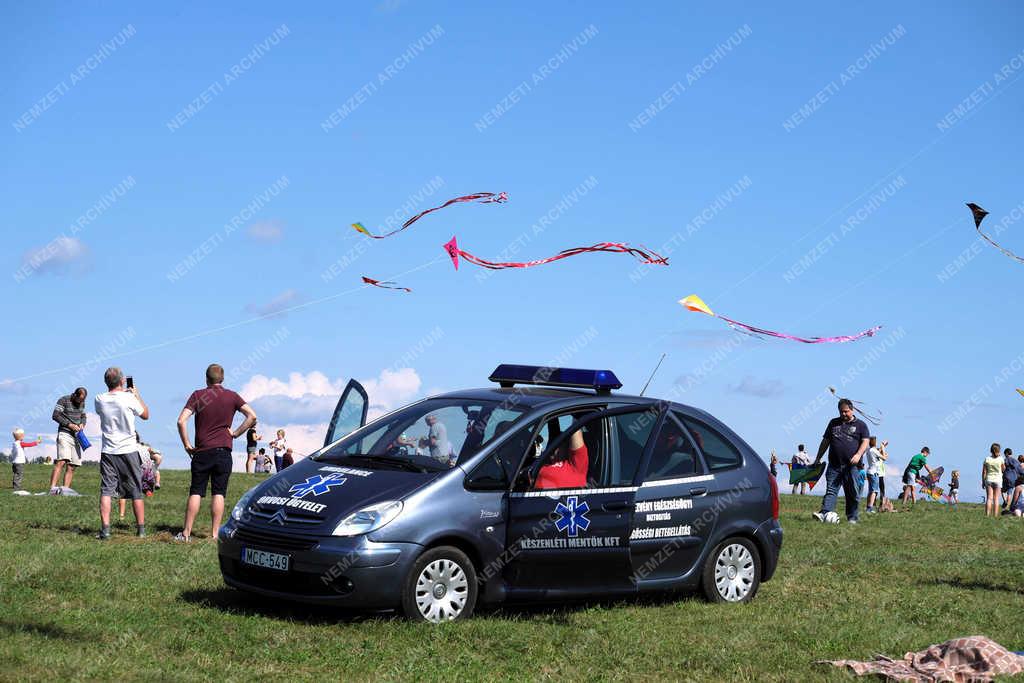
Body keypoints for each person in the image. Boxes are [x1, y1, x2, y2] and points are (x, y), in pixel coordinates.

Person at [175, 363, 256, 542]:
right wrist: (235, 433)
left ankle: (186, 533)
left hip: (202, 451)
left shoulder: (198, 395)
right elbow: (252, 416)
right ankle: (214, 534)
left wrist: (187, 444)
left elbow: (181, 421)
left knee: (196, 491)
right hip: (224, 451)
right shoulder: (232, 396)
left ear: (206, 379)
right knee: (219, 492)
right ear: (223, 378)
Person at [94, 367, 149, 539]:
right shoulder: (129, 398)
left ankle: (106, 530)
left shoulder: (99, 399)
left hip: (108, 450)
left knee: (106, 490)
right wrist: (136, 395)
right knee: (136, 490)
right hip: (129, 449)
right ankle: (140, 530)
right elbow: (146, 415)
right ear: (122, 381)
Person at [812, 398, 870, 524]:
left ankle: (852, 517)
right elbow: (825, 442)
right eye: (841, 412)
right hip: (834, 465)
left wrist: (858, 454)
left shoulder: (861, 425)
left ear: (852, 410)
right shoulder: (833, 423)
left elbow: (866, 441)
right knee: (831, 490)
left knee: (852, 492)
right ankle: (825, 513)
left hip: (853, 466)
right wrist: (818, 458)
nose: (844, 414)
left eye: (846, 411)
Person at [50, 387, 88, 494]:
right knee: (62, 461)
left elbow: (83, 416)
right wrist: (69, 425)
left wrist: (82, 423)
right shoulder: (63, 400)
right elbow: (55, 415)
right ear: (75, 395)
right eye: (80, 400)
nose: (81, 402)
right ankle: (52, 489)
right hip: (65, 433)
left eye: (83, 400)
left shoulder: (82, 403)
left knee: (72, 465)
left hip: (76, 436)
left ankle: (65, 491)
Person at [983, 443, 1004, 518]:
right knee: (996, 499)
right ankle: (995, 516)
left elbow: (984, 472)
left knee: (989, 498)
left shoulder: (987, 459)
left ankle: (987, 515)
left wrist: (983, 482)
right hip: (998, 480)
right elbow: (1003, 469)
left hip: (989, 479)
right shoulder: (1001, 459)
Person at [864, 437, 883, 514]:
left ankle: (868, 506)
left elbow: (877, 453)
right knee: (874, 491)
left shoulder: (868, 450)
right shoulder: (874, 451)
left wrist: (881, 447)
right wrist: (883, 448)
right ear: (875, 443)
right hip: (874, 472)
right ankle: (870, 508)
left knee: (870, 491)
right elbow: (884, 457)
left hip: (869, 471)